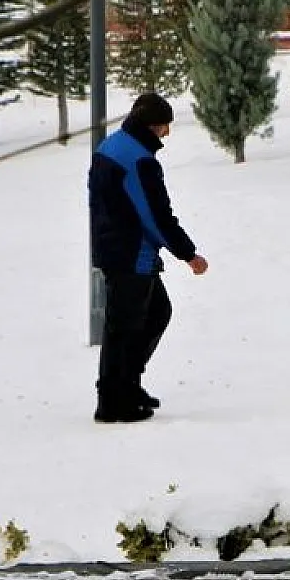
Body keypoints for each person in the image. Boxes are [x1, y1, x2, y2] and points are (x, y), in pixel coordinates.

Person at [88, 92, 209, 423]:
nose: (166, 134)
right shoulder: (139, 159)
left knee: (155, 313)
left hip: (113, 247)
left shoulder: (111, 146)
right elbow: (155, 215)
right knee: (125, 327)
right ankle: (113, 402)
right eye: (162, 127)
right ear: (149, 126)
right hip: (131, 254)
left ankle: (127, 385)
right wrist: (188, 253)